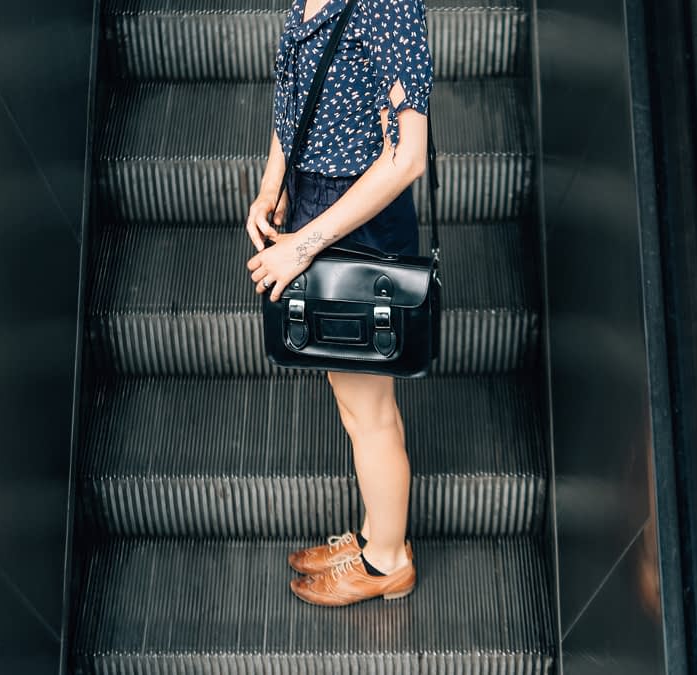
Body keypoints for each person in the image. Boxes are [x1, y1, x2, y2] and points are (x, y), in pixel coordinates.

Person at [244, 0, 434, 607]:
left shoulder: (389, 5)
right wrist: (272, 187)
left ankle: (388, 561)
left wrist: (303, 245)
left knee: (368, 411)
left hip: (359, 219)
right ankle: (378, 534)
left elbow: (408, 157)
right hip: (311, 200)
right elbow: (293, 95)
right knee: (358, 407)